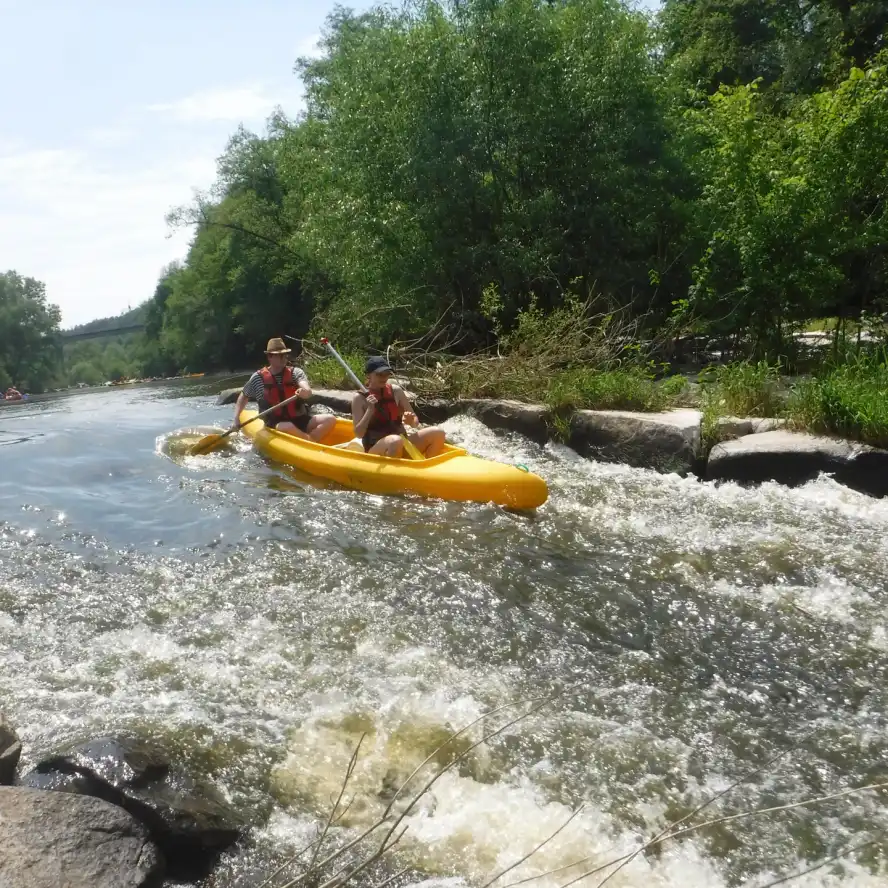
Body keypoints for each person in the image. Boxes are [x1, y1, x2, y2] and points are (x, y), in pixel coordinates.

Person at [234, 338, 335, 442]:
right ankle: (310, 442)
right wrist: (237, 417)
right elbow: (244, 396)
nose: (283, 358)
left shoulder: (295, 372)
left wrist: (305, 391)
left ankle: (310, 440)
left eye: (285, 354)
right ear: (270, 357)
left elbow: (307, 390)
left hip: (299, 419)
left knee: (329, 419)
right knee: (287, 426)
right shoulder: (258, 378)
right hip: (275, 422)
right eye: (279, 355)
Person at [351, 356, 446, 458]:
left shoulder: (396, 391)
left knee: (438, 432)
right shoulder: (359, 399)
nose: (384, 377)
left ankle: (427, 468)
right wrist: (370, 410)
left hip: (403, 442)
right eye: (379, 374)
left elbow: (415, 422)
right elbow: (359, 434)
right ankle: (394, 471)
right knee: (395, 441)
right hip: (377, 448)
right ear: (369, 375)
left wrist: (411, 421)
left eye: (387, 373)